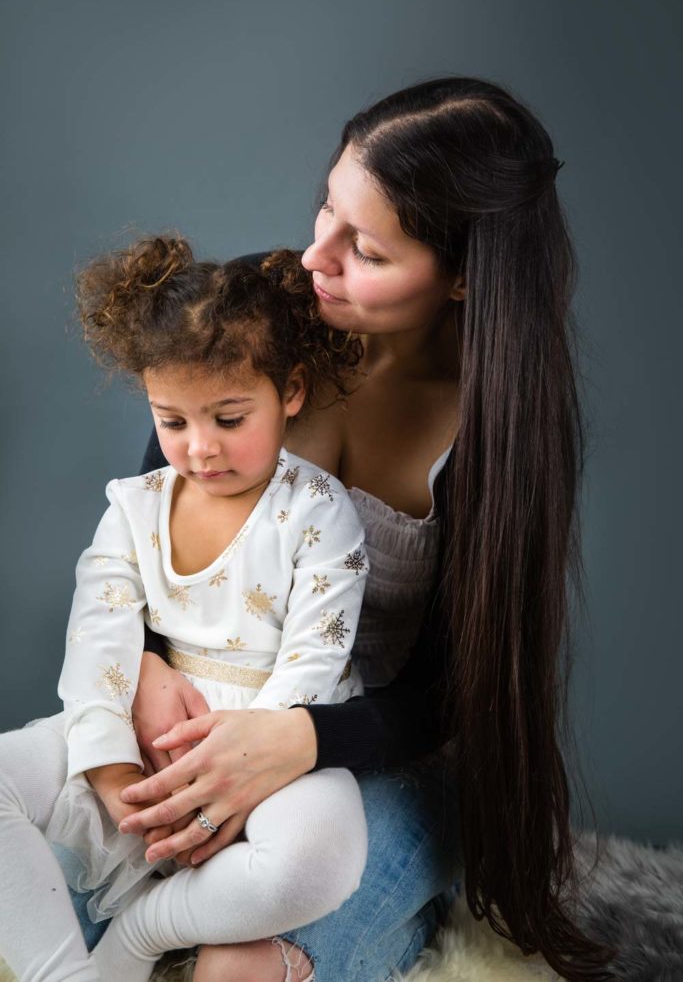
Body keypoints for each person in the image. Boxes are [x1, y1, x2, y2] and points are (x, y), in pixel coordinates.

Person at [117, 77, 613, 982]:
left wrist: (300, 740)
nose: (315, 257)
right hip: (200, 706)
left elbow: (447, 694)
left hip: (381, 755)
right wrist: (144, 664)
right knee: (86, 885)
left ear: (463, 276)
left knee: (239, 960)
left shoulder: (493, 427)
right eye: (325, 211)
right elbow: (146, 530)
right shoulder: (257, 322)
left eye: (367, 251)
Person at [0, 243, 371, 982]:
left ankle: (139, 935)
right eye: (171, 421)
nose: (199, 449)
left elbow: (314, 659)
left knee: (319, 861)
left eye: (229, 418)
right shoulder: (134, 506)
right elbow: (102, 632)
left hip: (273, 743)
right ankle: (66, 975)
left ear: (289, 392)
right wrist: (110, 767)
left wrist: (235, 770)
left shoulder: (319, 512)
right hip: (150, 723)